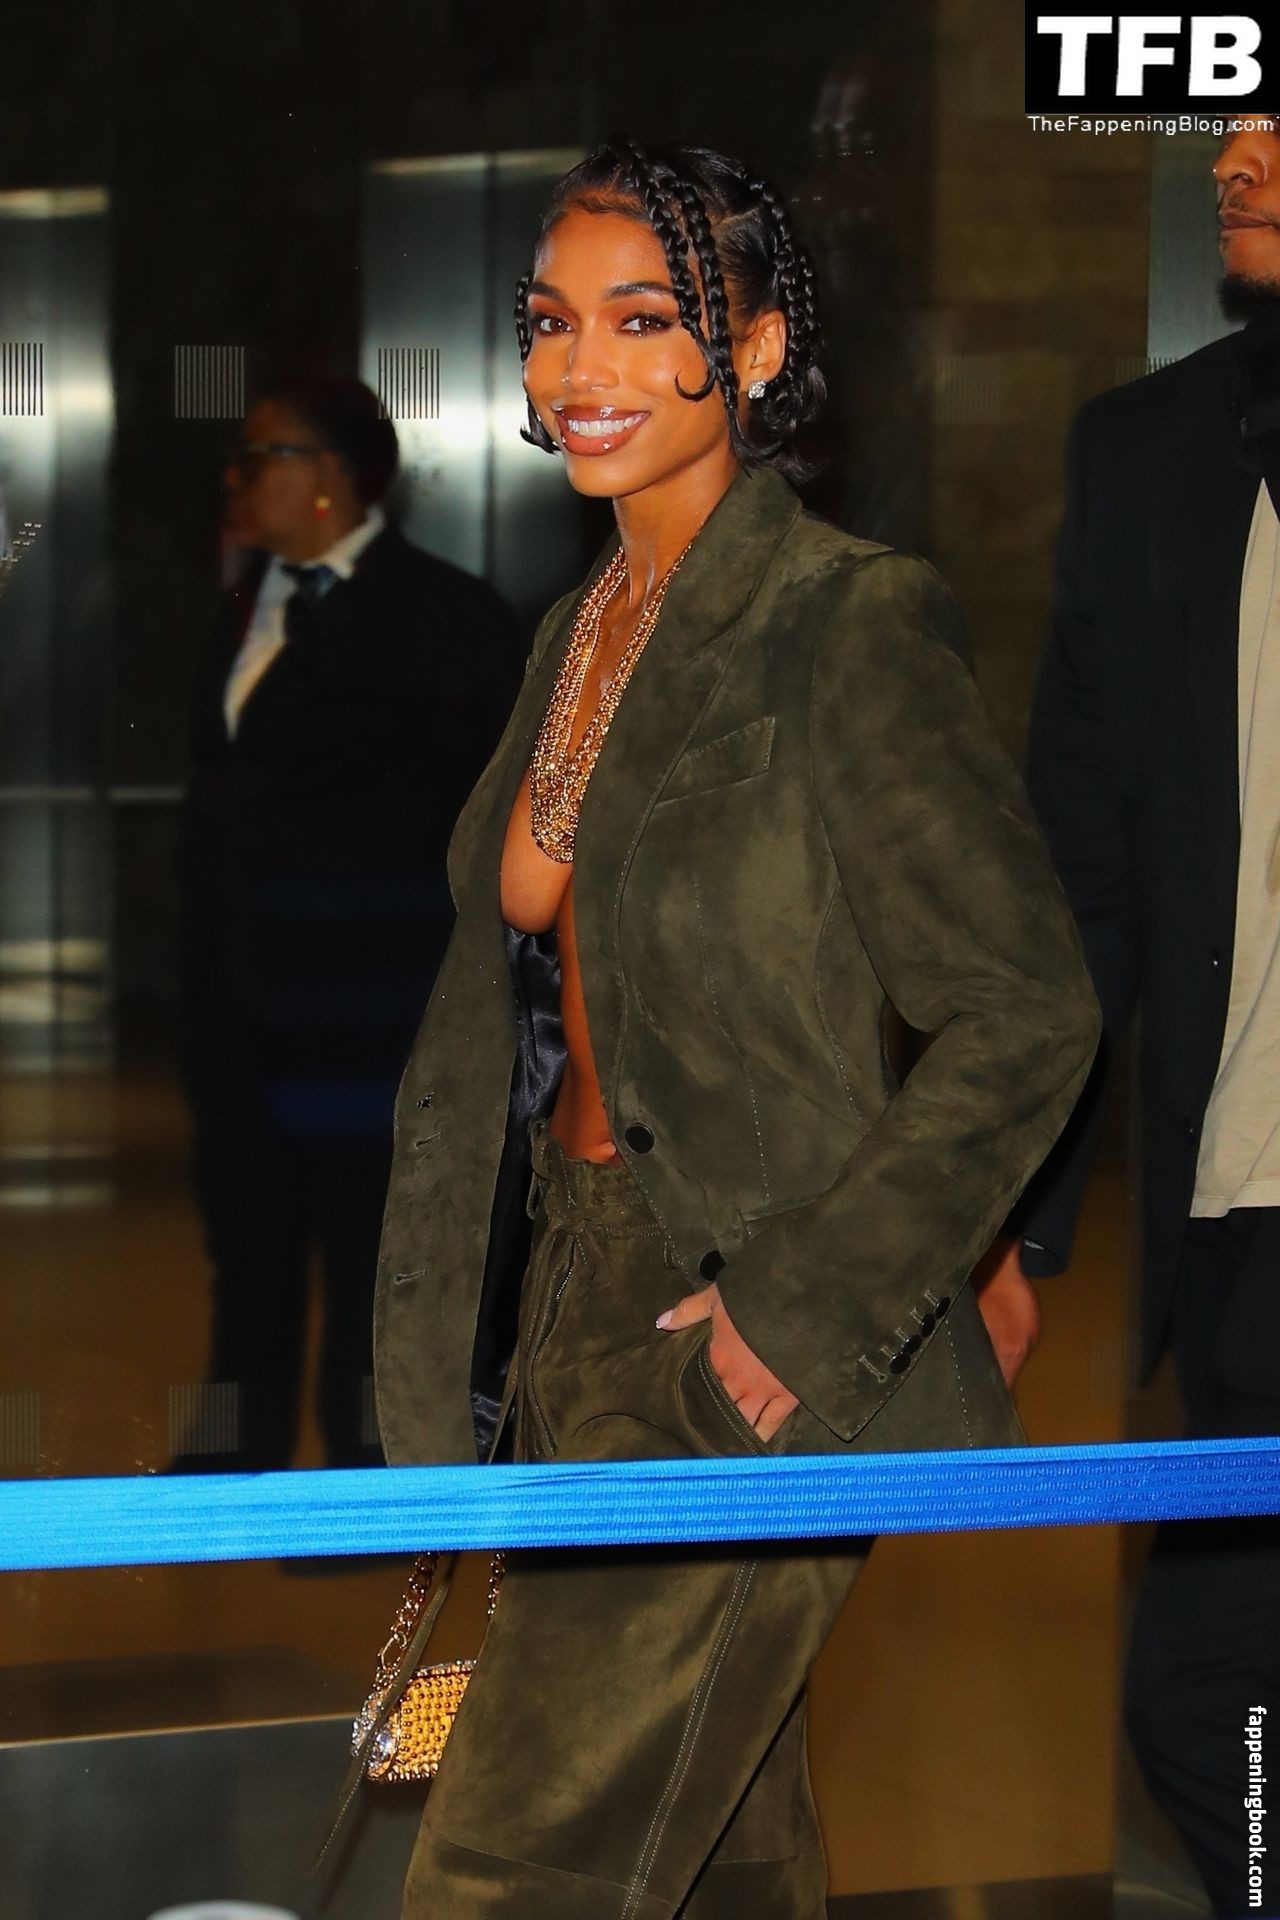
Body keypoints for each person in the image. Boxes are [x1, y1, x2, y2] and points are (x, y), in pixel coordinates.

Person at [363, 141, 1100, 1917]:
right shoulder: (576, 631)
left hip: (740, 1327)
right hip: (564, 1303)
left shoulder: (845, 619)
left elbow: (1025, 1006)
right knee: (715, 1866)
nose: (582, 368)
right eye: (550, 323)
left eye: (643, 320)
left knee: (509, 1868)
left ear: (757, 350)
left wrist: (814, 1298)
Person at [992, 115, 1280, 1920]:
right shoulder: (1152, 453)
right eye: (1231, 124)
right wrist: (1020, 1216)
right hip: (1248, 1208)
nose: (1236, 158)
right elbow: (1077, 883)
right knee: (1209, 1692)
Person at [176, 375, 523, 1472]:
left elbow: (485, 816)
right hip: (242, 1005)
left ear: (331, 476)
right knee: (248, 1245)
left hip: (373, 1012)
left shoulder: (448, 617)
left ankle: (367, 1479)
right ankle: (235, 1459)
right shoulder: (246, 603)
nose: (238, 479)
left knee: (369, 1249)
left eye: (262, 455)